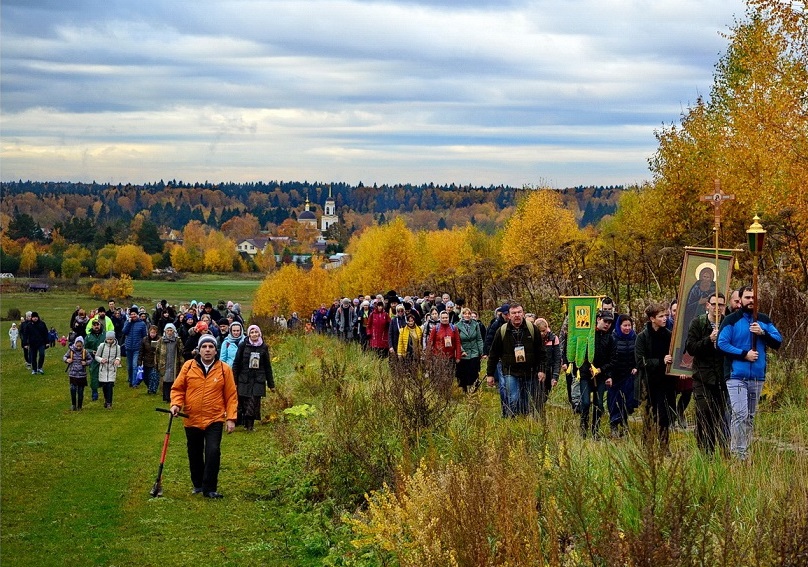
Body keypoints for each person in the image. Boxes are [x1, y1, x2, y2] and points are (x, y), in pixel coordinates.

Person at [717, 285, 782, 460]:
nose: (751, 301)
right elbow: (721, 343)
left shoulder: (763, 320)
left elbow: (778, 341)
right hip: (736, 375)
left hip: (757, 377)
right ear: (740, 300)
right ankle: (736, 452)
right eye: (747, 297)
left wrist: (763, 332)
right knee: (740, 413)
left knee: (750, 416)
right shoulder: (731, 320)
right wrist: (744, 354)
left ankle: (744, 451)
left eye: (754, 298)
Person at [170, 334, 238, 498]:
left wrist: (230, 418)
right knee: (194, 452)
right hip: (191, 417)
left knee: (213, 451)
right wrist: (176, 404)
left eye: (211, 347)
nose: (207, 350)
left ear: (216, 350)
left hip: (214, 418)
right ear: (199, 350)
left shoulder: (224, 369)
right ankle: (198, 484)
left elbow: (231, 396)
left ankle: (210, 488)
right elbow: (178, 389)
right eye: (204, 347)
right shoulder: (188, 366)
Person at [686, 292, 729, 455]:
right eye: (715, 304)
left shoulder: (727, 323)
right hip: (702, 377)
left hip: (721, 378)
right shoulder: (698, 323)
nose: (718, 308)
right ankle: (705, 451)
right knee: (704, 413)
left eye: (721, 305)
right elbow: (691, 348)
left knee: (718, 415)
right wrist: (709, 339)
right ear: (708, 306)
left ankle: (718, 449)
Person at [485, 304, 546, 417]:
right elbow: (493, 354)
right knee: (513, 398)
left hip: (530, 371)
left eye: (519, 312)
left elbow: (541, 351)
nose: (517, 315)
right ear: (508, 316)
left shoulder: (532, 329)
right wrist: (490, 374)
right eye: (513, 313)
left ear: (523, 313)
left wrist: (541, 370)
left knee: (528, 399)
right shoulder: (502, 331)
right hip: (510, 371)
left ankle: (525, 420)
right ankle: (514, 420)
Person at [635, 302, 674, 449]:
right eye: (661, 316)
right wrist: (660, 361)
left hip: (665, 382)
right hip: (649, 382)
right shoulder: (642, 337)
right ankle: (647, 446)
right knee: (649, 415)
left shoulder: (669, 335)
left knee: (664, 416)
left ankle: (664, 446)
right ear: (652, 318)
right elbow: (640, 361)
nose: (665, 319)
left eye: (666, 316)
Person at [576, 310, 616, 438]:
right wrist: (586, 366)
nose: (607, 324)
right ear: (598, 319)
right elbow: (580, 352)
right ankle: (583, 428)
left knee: (598, 404)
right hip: (585, 375)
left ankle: (595, 431)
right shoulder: (588, 335)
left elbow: (612, 360)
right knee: (586, 402)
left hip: (600, 376)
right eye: (605, 321)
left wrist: (601, 370)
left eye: (610, 322)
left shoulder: (610, 338)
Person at [232, 325, 275, 431]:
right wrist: (234, 380)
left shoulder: (264, 347)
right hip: (244, 378)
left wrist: (271, 384)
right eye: (252, 332)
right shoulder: (243, 346)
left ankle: (250, 426)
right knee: (245, 402)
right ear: (249, 334)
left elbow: (267, 366)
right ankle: (246, 423)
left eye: (256, 332)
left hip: (258, 379)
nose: (254, 334)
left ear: (259, 333)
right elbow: (236, 363)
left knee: (254, 401)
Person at [607, 314, 637, 437]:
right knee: (615, 400)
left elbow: (638, 354)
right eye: (625, 325)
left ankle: (624, 422)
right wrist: (609, 375)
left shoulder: (634, 337)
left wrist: (636, 367)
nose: (627, 328)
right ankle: (614, 423)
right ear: (619, 326)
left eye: (629, 325)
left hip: (629, 374)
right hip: (615, 375)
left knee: (628, 400)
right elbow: (609, 357)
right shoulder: (613, 338)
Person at [535, 318, 561, 415]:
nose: (542, 333)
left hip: (549, 371)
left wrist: (555, 376)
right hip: (536, 372)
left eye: (544, 331)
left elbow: (557, 359)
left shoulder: (554, 339)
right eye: (540, 331)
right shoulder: (533, 339)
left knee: (545, 394)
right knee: (537, 395)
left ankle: (539, 412)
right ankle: (537, 414)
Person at [456, 308, 484, 392]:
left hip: (474, 351)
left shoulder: (475, 324)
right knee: (464, 371)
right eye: (465, 314)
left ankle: (473, 387)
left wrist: (481, 351)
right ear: (462, 315)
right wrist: (461, 350)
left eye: (469, 314)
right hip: (464, 351)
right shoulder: (457, 326)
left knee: (474, 369)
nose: (467, 315)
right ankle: (464, 387)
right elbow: (457, 341)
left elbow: (479, 339)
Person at [155, 323, 184, 403]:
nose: (169, 332)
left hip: (174, 362)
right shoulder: (161, 340)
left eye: (171, 330)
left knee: (173, 380)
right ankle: (166, 397)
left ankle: (172, 396)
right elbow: (157, 351)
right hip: (164, 362)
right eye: (168, 330)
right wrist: (157, 362)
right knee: (165, 380)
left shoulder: (177, 340)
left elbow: (181, 351)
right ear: (165, 331)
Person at [63, 336, 93, 411]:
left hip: (82, 375)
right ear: (75, 344)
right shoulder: (71, 351)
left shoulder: (85, 352)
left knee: (80, 391)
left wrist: (85, 363)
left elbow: (91, 359)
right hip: (73, 374)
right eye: (77, 346)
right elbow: (64, 357)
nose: (79, 347)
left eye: (80, 346)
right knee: (72, 389)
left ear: (82, 345)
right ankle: (73, 404)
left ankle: (79, 405)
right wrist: (67, 360)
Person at [122, 308, 148, 387]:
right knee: (129, 366)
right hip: (129, 347)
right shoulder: (127, 322)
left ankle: (134, 383)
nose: (133, 316)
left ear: (137, 314)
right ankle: (130, 379)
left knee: (134, 365)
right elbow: (124, 331)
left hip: (137, 348)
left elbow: (144, 335)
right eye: (131, 314)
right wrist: (129, 323)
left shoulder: (142, 324)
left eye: (134, 314)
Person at [95, 331, 121, 409]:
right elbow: (97, 356)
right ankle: (106, 400)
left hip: (112, 369)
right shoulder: (102, 346)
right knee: (105, 386)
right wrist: (101, 360)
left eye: (111, 339)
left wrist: (117, 360)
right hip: (103, 368)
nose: (109, 341)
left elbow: (118, 356)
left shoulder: (117, 347)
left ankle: (109, 402)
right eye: (108, 339)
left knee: (110, 385)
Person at [84, 318, 105, 401]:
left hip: (103, 359)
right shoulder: (88, 336)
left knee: (104, 376)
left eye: (97, 325)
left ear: (100, 325)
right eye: (94, 325)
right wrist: (91, 351)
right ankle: (94, 393)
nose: (96, 326)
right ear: (92, 326)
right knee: (93, 376)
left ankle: (106, 393)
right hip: (93, 360)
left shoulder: (105, 335)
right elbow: (84, 348)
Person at [141, 325, 161, 394]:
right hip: (146, 360)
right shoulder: (144, 340)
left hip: (155, 361)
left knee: (154, 376)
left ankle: (153, 390)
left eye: (154, 333)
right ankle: (149, 387)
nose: (152, 334)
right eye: (151, 333)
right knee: (145, 377)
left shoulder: (160, 340)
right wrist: (140, 361)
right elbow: (141, 351)